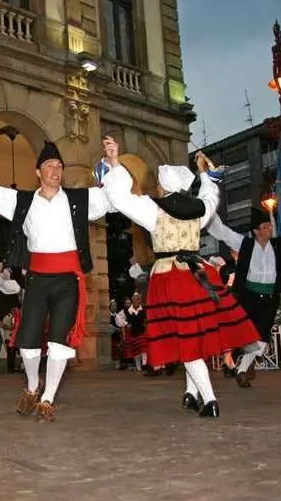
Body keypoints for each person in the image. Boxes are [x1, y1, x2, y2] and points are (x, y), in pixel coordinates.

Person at [102, 137, 260, 418]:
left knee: (186, 340)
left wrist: (115, 163)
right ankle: (190, 393)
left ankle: (210, 400)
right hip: (197, 273)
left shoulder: (154, 210)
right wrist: (205, 175)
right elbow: (211, 197)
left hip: (170, 278)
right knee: (193, 334)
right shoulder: (199, 210)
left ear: (163, 185)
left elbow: (121, 198)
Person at [0, 136, 112, 422]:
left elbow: (112, 198)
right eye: (49, 165)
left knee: (59, 341)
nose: (55, 171)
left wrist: (112, 165)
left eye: (59, 165)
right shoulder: (22, 201)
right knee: (28, 341)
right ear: (38, 171)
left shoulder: (80, 200)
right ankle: (33, 385)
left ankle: (47, 399)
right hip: (38, 279)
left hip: (69, 279)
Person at [207, 207, 281, 388]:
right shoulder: (244, 243)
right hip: (249, 297)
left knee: (262, 338)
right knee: (248, 335)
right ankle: (242, 367)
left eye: (269, 226)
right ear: (256, 231)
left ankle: (243, 369)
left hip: (270, 297)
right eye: (265, 226)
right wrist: (208, 208)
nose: (269, 229)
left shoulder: (280, 243)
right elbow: (221, 231)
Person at [114, 291, 148, 372]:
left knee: (143, 348)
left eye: (137, 299)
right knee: (135, 350)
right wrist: (126, 323)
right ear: (132, 300)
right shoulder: (127, 310)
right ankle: (139, 367)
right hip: (132, 332)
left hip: (142, 331)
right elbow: (118, 317)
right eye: (134, 299)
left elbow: (149, 318)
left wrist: (146, 323)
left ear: (140, 300)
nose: (136, 301)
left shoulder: (144, 309)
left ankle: (144, 364)